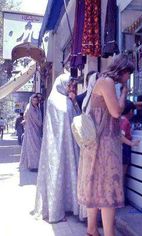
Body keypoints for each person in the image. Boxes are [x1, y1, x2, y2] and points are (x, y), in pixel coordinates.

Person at [77, 53, 134, 236]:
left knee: (96, 187)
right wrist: (124, 94)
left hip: (99, 143)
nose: (128, 78)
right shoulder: (107, 82)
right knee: (107, 190)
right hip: (104, 145)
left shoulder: (103, 82)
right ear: (122, 70)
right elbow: (116, 112)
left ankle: (92, 230)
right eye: (128, 74)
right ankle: (108, 233)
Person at [34, 73, 82, 223]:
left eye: (71, 85)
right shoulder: (53, 100)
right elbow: (54, 125)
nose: (70, 87)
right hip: (56, 145)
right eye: (68, 85)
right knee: (57, 174)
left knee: (70, 174)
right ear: (61, 84)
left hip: (70, 144)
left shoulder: (68, 100)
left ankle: (71, 206)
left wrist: (74, 103)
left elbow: (77, 119)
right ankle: (55, 211)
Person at [120, 100, 140, 203]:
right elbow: (121, 137)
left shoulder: (119, 119)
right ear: (130, 111)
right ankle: (121, 199)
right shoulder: (125, 121)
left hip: (121, 150)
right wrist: (132, 143)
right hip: (124, 150)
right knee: (122, 175)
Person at [19, 94, 42, 170]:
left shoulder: (36, 107)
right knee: (34, 147)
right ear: (31, 100)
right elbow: (36, 120)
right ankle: (33, 165)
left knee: (35, 146)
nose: (35, 102)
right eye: (34, 100)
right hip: (31, 130)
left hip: (35, 130)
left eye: (36, 100)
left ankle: (34, 164)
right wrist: (41, 124)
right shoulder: (30, 109)